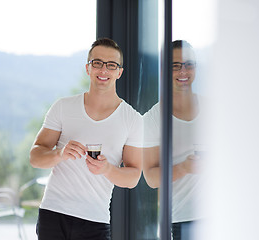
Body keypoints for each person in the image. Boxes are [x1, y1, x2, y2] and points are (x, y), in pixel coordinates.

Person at [30, 38, 143, 240]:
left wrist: (108, 169)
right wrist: (60, 154)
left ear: (119, 72)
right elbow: (36, 157)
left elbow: (133, 177)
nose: (104, 70)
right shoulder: (63, 107)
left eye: (111, 65)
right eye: (97, 63)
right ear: (88, 68)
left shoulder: (132, 119)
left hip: (95, 221)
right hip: (53, 214)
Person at [143, 40, 206, 240]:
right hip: (184, 219)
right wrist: (185, 168)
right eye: (175, 65)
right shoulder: (154, 118)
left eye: (189, 64)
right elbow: (151, 178)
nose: (183, 71)